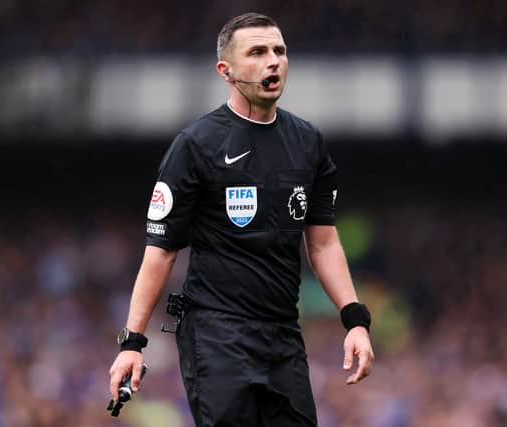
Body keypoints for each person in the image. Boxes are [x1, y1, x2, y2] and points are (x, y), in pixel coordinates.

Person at [108, 12, 374, 426]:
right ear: (226, 71)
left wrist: (354, 319)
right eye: (257, 52)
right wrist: (132, 343)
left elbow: (322, 242)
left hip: (283, 333)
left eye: (279, 51)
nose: (273, 61)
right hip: (216, 333)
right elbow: (161, 252)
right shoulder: (196, 146)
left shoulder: (308, 144)